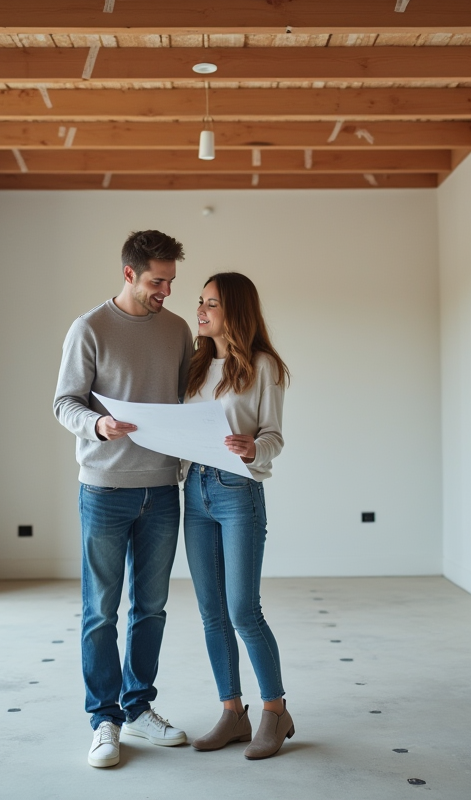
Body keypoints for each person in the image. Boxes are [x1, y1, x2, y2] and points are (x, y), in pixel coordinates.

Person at [52, 230, 193, 768]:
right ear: (129, 274)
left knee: (150, 609)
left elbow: (188, 399)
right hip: (105, 490)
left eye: (171, 281)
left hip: (161, 489)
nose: (166, 291)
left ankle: (139, 708)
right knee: (100, 612)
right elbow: (64, 403)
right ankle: (104, 720)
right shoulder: (89, 328)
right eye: (158, 281)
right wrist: (98, 423)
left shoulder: (178, 330)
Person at [183, 272, 293, 760]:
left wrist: (253, 446)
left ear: (236, 311)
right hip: (194, 491)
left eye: (212, 303)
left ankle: (275, 712)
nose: (201, 311)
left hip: (237, 490)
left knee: (243, 610)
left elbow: (274, 435)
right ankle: (233, 712)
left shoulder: (263, 366)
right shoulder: (193, 365)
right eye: (200, 302)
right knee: (211, 613)